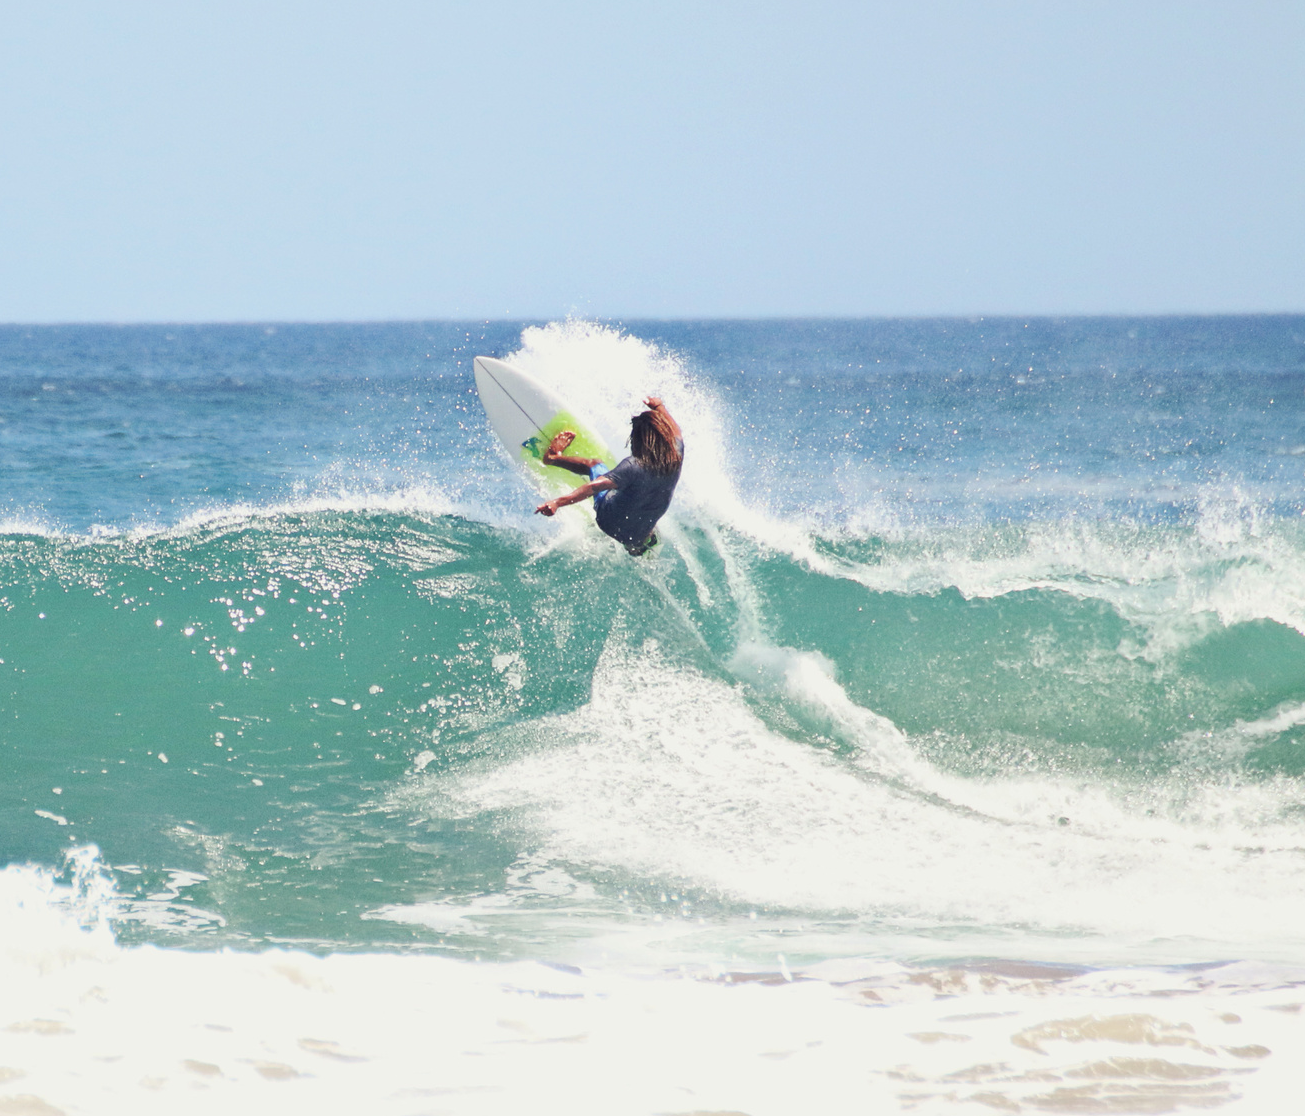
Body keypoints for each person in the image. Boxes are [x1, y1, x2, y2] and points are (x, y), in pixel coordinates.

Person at [534, 397, 683, 556]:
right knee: (645, 507)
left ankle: (552, 458)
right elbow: (676, 430)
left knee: (595, 464)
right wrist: (659, 406)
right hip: (638, 534)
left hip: (608, 521)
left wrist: (557, 502)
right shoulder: (677, 453)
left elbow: (594, 486)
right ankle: (638, 546)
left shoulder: (634, 465)